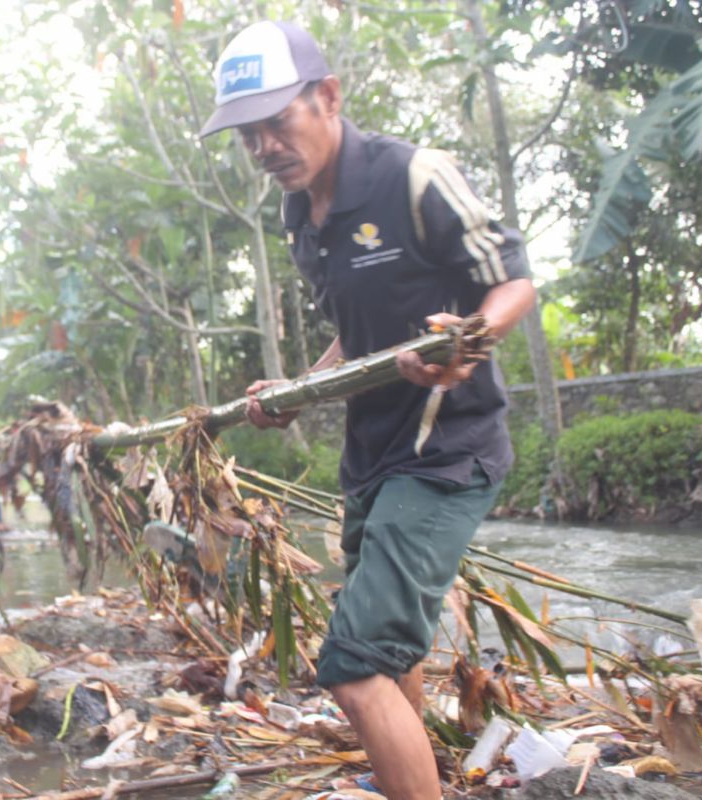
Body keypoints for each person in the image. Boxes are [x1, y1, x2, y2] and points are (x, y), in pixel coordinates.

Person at [201, 22, 537, 799]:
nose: (265, 149)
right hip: (373, 456)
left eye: (277, 124)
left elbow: (514, 282)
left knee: (353, 668)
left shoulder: (417, 177)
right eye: (248, 136)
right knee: (395, 653)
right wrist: (295, 392)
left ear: (328, 98)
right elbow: (354, 339)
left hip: (447, 452)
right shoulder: (297, 215)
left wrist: (467, 337)